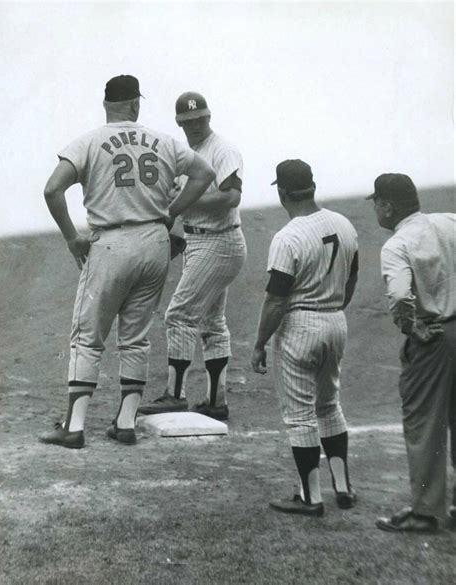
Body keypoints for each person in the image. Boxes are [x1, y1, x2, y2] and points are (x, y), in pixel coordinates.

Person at [39, 75, 215, 449]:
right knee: (135, 338)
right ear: (136, 104)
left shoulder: (88, 141)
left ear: (107, 106)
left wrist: (72, 237)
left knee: (87, 336)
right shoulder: (164, 140)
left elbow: (53, 188)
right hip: (154, 244)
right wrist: (171, 211)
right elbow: (205, 174)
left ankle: (74, 426)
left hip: (111, 242)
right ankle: (125, 423)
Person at [251, 159, 359, 517]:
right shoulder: (343, 223)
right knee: (329, 406)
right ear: (312, 187)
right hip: (335, 320)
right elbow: (352, 276)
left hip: (300, 327)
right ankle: (343, 487)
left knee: (300, 416)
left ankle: (310, 498)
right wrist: (334, 305)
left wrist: (259, 343)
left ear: (282, 192)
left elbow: (276, 298)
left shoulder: (288, 237)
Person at [138, 91, 247, 421]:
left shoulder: (222, 150)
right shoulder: (184, 153)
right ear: (178, 123)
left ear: (209, 117)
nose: (195, 125)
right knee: (212, 324)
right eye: (188, 122)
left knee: (179, 315)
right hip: (199, 241)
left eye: (200, 119)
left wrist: (186, 202)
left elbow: (231, 196)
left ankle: (175, 395)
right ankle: (216, 401)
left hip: (220, 240)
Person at [368, 173, 456, 533]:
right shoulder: (450, 220)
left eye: (377, 202)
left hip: (435, 337)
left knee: (423, 422)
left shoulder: (397, 244)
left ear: (387, 206)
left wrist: (410, 326)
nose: (375, 208)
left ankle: (424, 511)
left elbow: (401, 295)